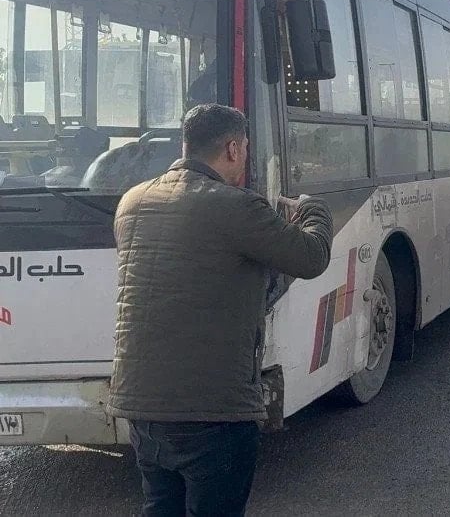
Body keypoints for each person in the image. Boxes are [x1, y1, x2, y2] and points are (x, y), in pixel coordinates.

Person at [108, 104, 333, 516]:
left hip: (141, 406)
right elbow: (311, 256)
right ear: (232, 148)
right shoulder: (237, 206)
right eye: (244, 147)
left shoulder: (133, 202)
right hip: (212, 410)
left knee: (161, 507)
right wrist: (311, 210)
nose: (244, 156)